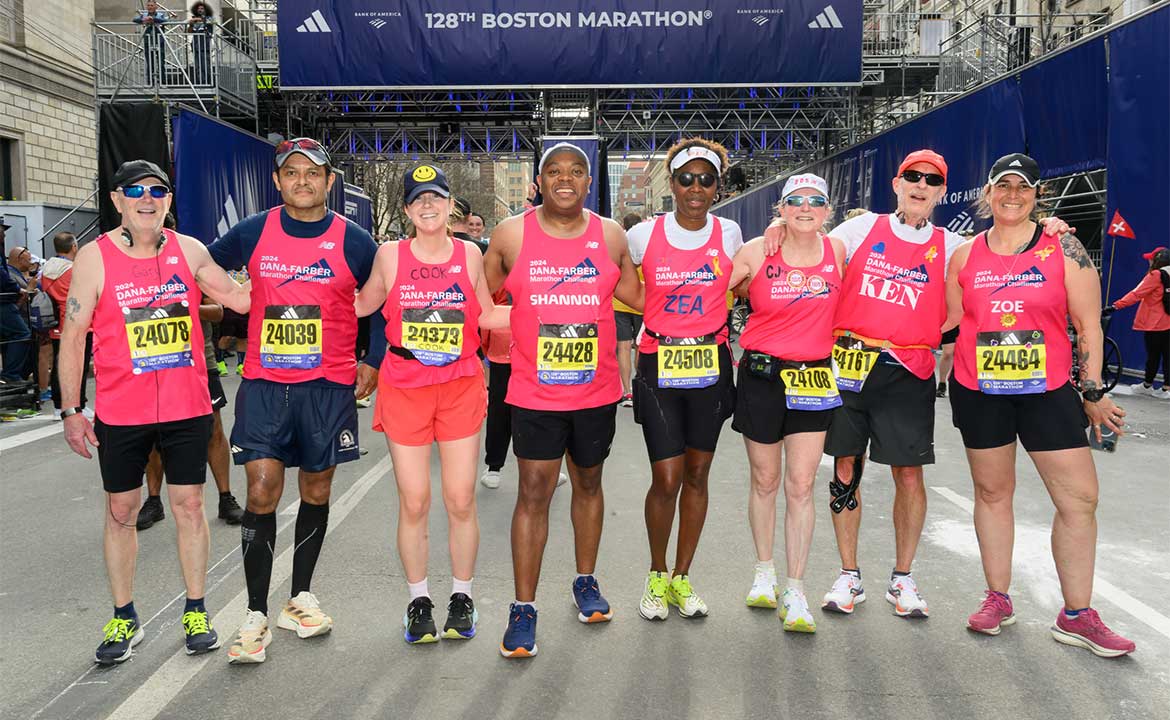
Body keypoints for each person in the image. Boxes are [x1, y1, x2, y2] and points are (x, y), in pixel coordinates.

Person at [762, 149, 1070, 619]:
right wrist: (779, 228)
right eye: (912, 176)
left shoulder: (952, 245)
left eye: (932, 179)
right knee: (846, 467)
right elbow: (811, 246)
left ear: (942, 191)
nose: (920, 185)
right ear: (897, 183)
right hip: (847, 365)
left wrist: (1053, 229)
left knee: (908, 473)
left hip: (909, 369)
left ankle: (902, 578)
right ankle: (849, 575)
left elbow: (995, 266)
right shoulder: (859, 230)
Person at [57, 159, 251, 665]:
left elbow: (239, 299)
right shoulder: (94, 259)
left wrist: (298, 275)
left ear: (168, 200)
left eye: (158, 190)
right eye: (135, 191)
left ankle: (196, 609)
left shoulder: (190, 251)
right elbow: (74, 337)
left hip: (187, 405)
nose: (148, 198)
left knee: (189, 506)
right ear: (118, 200)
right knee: (121, 511)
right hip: (123, 411)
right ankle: (125, 616)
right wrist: (72, 410)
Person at [947, 153, 1135, 657]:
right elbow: (946, 325)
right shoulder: (964, 256)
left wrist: (1092, 390)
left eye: (1023, 187)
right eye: (1002, 186)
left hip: (1046, 392)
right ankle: (997, 598)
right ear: (987, 194)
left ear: (1036, 195)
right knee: (992, 493)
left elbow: (1088, 325)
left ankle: (1076, 614)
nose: (1012, 194)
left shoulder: (1064, 246)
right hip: (979, 390)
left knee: (1079, 499)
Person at [208, 137, 385, 664]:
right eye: (292, 173)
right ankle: (255, 613)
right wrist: (233, 300)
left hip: (328, 387)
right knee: (261, 488)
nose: (302, 181)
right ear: (277, 181)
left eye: (313, 173)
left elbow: (379, 302)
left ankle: (299, 596)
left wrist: (372, 360)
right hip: (265, 384)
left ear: (330, 181)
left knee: (317, 486)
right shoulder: (254, 231)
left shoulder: (352, 240)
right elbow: (199, 266)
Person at [483, 142, 643, 658]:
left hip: (596, 391)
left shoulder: (611, 235)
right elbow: (482, 299)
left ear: (589, 181)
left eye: (576, 171)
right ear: (539, 181)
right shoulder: (511, 234)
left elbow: (643, 297)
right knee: (533, 491)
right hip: (534, 390)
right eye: (554, 171)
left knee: (589, 482)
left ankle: (585, 581)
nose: (566, 179)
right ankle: (523, 608)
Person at [355, 164, 509, 644]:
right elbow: (360, 306)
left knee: (461, 499)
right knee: (415, 500)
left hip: (460, 382)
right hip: (405, 385)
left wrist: (555, 305)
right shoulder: (389, 255)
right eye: (418, 199)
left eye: (436, 198)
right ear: (406, 209)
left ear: (450, 206)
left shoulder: (468, 254)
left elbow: (484, 312)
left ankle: (461, 597)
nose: (428, 206)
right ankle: (418, 601)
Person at [627, 139, 742, 622]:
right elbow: (616, 279)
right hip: (660, 365)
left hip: (711, 365)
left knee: (697, 474)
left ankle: (682, 577)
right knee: (666, 476)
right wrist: (655, 315)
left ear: (717, 187)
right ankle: (656, 574)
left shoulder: (731, 233)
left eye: (706, 179)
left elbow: (749, 280)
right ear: (671, 184)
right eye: (686, 178)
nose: (696, 188)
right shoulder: (644, 235)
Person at [728, 174, 845, 632]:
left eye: (816, 201)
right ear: (780, 207)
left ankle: (796, 589)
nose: (805, 207)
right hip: (761, 374)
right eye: (795, 200)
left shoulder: (837, 250)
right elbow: (713, 292)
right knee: (765, 479)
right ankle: (764, 572)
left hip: (814, 375)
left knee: (800, 485)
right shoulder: (758, 250)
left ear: (828, 211)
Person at [136, 298, 247, 529]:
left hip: (199, 361)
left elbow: (218, 312)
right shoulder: (136, 272)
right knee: (153, 433)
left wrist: (186, 308)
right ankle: (154, 501)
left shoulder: (191, 266)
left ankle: (226, 498)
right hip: (153, 360)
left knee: (213, 430)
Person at [41, 232, 94, 418]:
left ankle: (58, 406)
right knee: (79, 365)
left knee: (58, 364)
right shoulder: (75, 269)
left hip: (55, 324)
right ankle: (78, 404)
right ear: (74, 247)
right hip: (78, 323)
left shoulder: (46, 269)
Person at [1109, 246, 1170, 398]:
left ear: (1157, 260)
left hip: (1156, 323)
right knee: (1168, 355)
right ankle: (1165, 389)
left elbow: (1137, 293)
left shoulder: (1155, 275)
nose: (1148, 261)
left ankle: (1148, 385)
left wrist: (1116, 305)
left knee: (1153, 355)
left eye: (1151, 258)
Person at [614, 213, 644, 407]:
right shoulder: (644, 243)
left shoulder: (618, 245)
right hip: (641, 302)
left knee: (623, 347)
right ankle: (641, 389)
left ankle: (627, 392)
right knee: (641, 347)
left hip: (619, 303)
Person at [2, 245, 35, 384]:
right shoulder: (10, 275)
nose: (32, 263)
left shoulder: (16, 274)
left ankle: (14, 376)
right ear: (20, 259)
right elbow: (17, 300)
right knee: (22, 336)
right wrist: (28, 290)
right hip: (14, 315)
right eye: (29, 259)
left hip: (19, 318)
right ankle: (11, 375)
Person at [133, 1, 170, 85]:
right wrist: (143, 19)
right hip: (148, 41)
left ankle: (162, 82)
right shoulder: (144, 15)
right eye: (148, 5)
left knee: (161, 62)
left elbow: (164, 21)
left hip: (159, 41)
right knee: (150, 63)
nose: (150, 7)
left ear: (156, 6)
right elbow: (135, 20)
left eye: (152, 5)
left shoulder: (160, 14)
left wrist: (153, 19)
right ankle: (150, 82)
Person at [186, 2, 214, 86]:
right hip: (196, 45)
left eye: (202, 9)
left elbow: (210, 22)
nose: (200, 10)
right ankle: (200, 82)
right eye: (198, 9)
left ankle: (207, 82)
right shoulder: (194, 19)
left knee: (206, 65)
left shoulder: (209, 18)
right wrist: (191, 24)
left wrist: (198, 19)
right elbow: (189, 31)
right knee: (198, 66)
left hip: (205, 46)